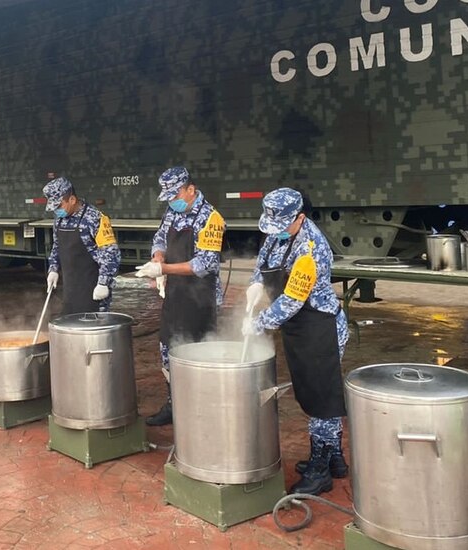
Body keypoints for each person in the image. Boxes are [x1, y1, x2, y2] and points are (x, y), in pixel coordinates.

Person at [244, 188, 349, 496]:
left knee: (322, 401)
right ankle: (335, 460)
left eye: (282, 225)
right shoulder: (278, 231)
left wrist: (258, 323)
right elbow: (262, 262)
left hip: (320, 327)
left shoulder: (311, 248)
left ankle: (320, 471)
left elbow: (291, 301)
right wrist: (254, 286)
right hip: (299, 329)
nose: (274, 232)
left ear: (300, 217)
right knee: (317, 394)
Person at [134, 166, 225, 427]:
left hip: (200, 300)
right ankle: (174, 404)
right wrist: (158, 256)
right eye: (169, 197)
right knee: (168, 349)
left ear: (190, 190)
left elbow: (204, 264)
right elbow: (160, 237)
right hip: (175, 294)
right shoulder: (174, 211)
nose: (172, 201)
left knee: (196, 354)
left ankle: (201, 409)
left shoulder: (211, 218)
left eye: (175, 196)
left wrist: (163, 269)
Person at [43, 177, 121, 314]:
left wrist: (103, 283)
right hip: (71, 288)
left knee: (94, 331)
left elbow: (111, 253)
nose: (56, 211)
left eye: (59, 206)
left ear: (72, 200)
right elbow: (57, 246)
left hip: (94, 289)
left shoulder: (94, 218)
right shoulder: (59, 220)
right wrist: (53, 269)